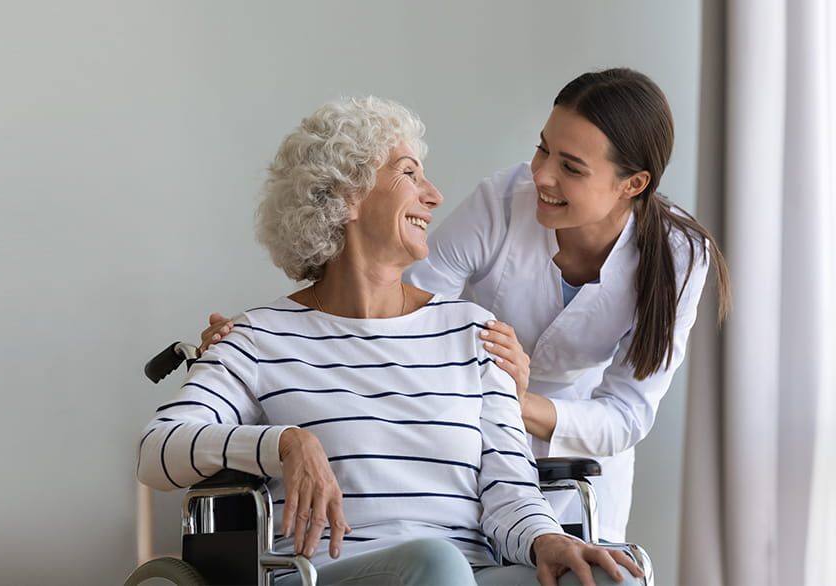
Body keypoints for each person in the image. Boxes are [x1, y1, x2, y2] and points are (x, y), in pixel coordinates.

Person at [198, 68, 730, 541]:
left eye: (571, 167)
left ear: (632, 184)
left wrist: (514, 400)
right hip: (467, 438)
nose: (541, 175)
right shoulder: (502, 202)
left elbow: (627, 413)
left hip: (573, 450)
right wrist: (248, 348)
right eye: (543, 149)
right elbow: (396, 310)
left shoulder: (680, 258)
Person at [139, 96, 643, 585]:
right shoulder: (257, 338)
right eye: (408, 173)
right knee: (435, 564)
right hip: (333, 572)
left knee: (607, 577)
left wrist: (547, 540)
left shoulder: (473, 332)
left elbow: (510, 492)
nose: (434, 196)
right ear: (346, 196)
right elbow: (156, 449)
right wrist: (284, 443)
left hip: (472, 570)